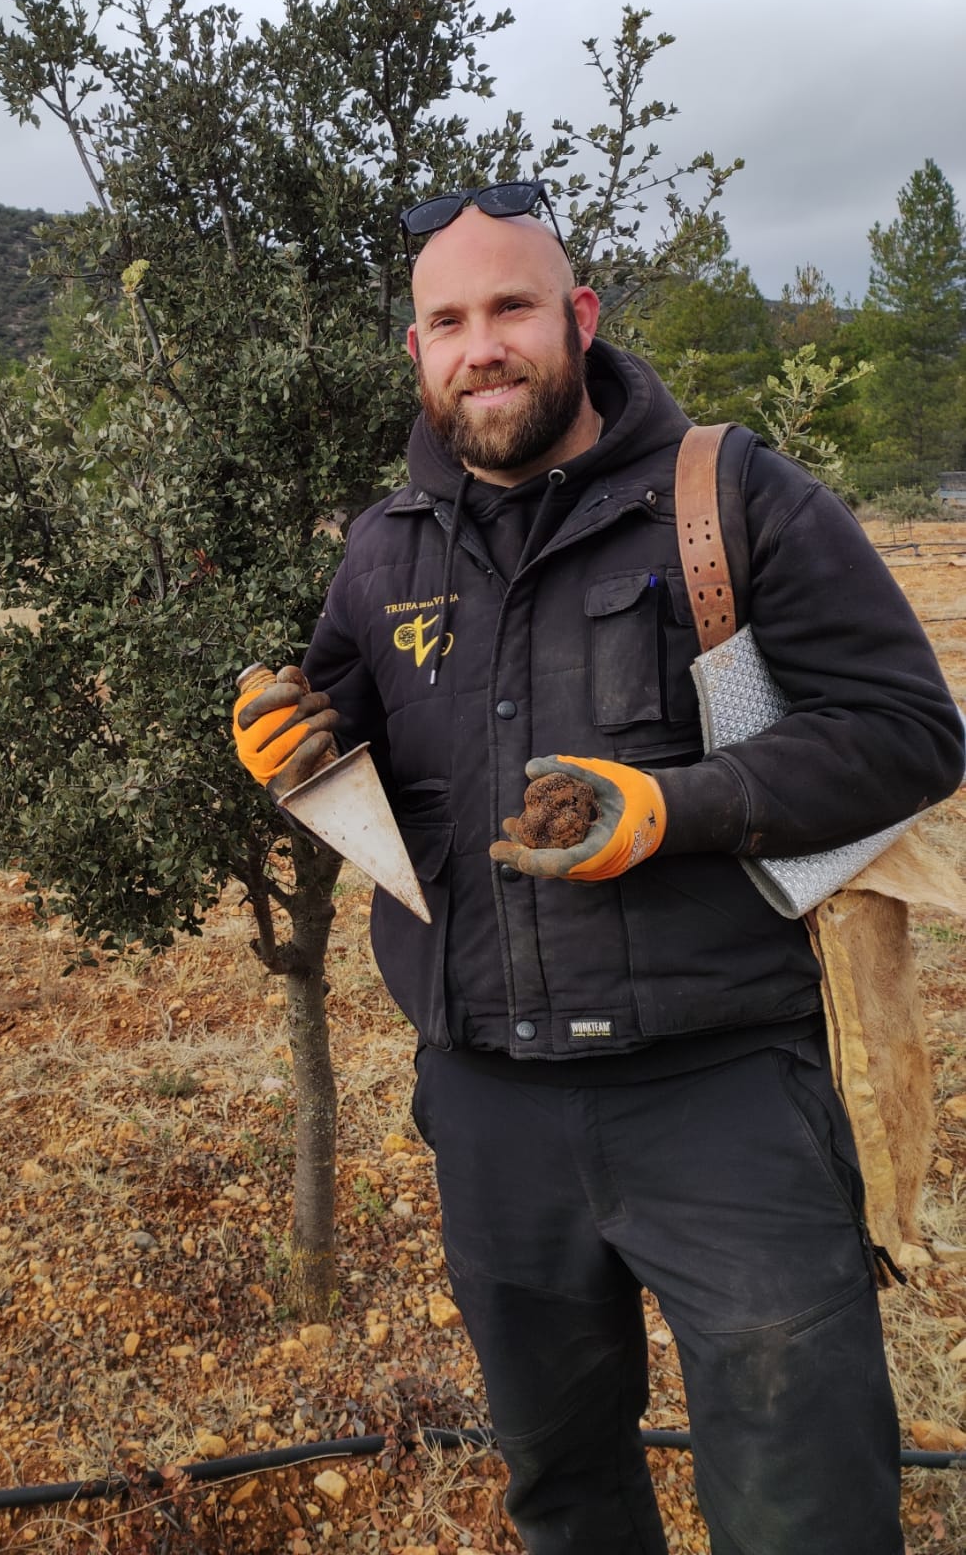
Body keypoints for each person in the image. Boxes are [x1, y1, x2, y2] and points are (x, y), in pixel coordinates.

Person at [231, 183, 964, 1555]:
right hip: (491, 1104)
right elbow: (340, 741)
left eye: (511, 307)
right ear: (417, 351)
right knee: (563, 1493)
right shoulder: (387, 549)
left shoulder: (729, 497)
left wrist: (676, 809)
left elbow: (912, 735)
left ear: (578, 318)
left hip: (723, 1091)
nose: (481, 345)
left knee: (806, 1505)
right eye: (448, 320)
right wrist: (282, 737)